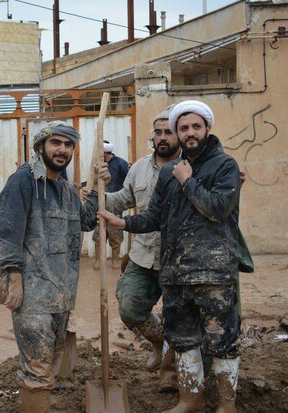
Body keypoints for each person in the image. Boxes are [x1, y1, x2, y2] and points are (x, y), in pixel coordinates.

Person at [102, 100, 242, 413]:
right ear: (177, 134)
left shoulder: (224, 166)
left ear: (207, 128)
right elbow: (154, 218)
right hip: (176, 274)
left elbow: (218, 210)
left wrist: (187, 180)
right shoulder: (167, 174)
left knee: (222, 340)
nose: (190, 132)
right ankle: (189, 399)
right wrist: (123, 222)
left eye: (196, 126)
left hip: (213, 272)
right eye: (184, 128)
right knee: (183, 338)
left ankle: (227, 405)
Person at [0, 120, 108, 412]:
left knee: (52, 360)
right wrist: (14, 280)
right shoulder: (22, 182)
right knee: (37, 365)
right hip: (31, 293)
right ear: (40, 146)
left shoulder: (67, 190)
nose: (62, 150)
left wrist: (96, 188)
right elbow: (7, 234)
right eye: (56, 143)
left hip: (60, 292)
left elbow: (85, 221)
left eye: (68, 144)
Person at [104, 105, 180, 392]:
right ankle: (158, 341)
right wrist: (95, 192)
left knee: (178, 315)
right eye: (158, 132)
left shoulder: (190, 167)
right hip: (143, 253)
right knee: (129, 306)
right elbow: (122, 199)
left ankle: (169, 371)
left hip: (177, 257)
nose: (162, 138)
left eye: (168, 132)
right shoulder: (138, 168)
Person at [93, 140, 128, 269]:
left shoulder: (121, 164)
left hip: (115, 205)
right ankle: (97, 260)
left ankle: (115, 260)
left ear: (105, 152)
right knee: (98, 235)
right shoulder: (97, 164)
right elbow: (94, 181)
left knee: (115, 235)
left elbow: (128, 183)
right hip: (100, 205)